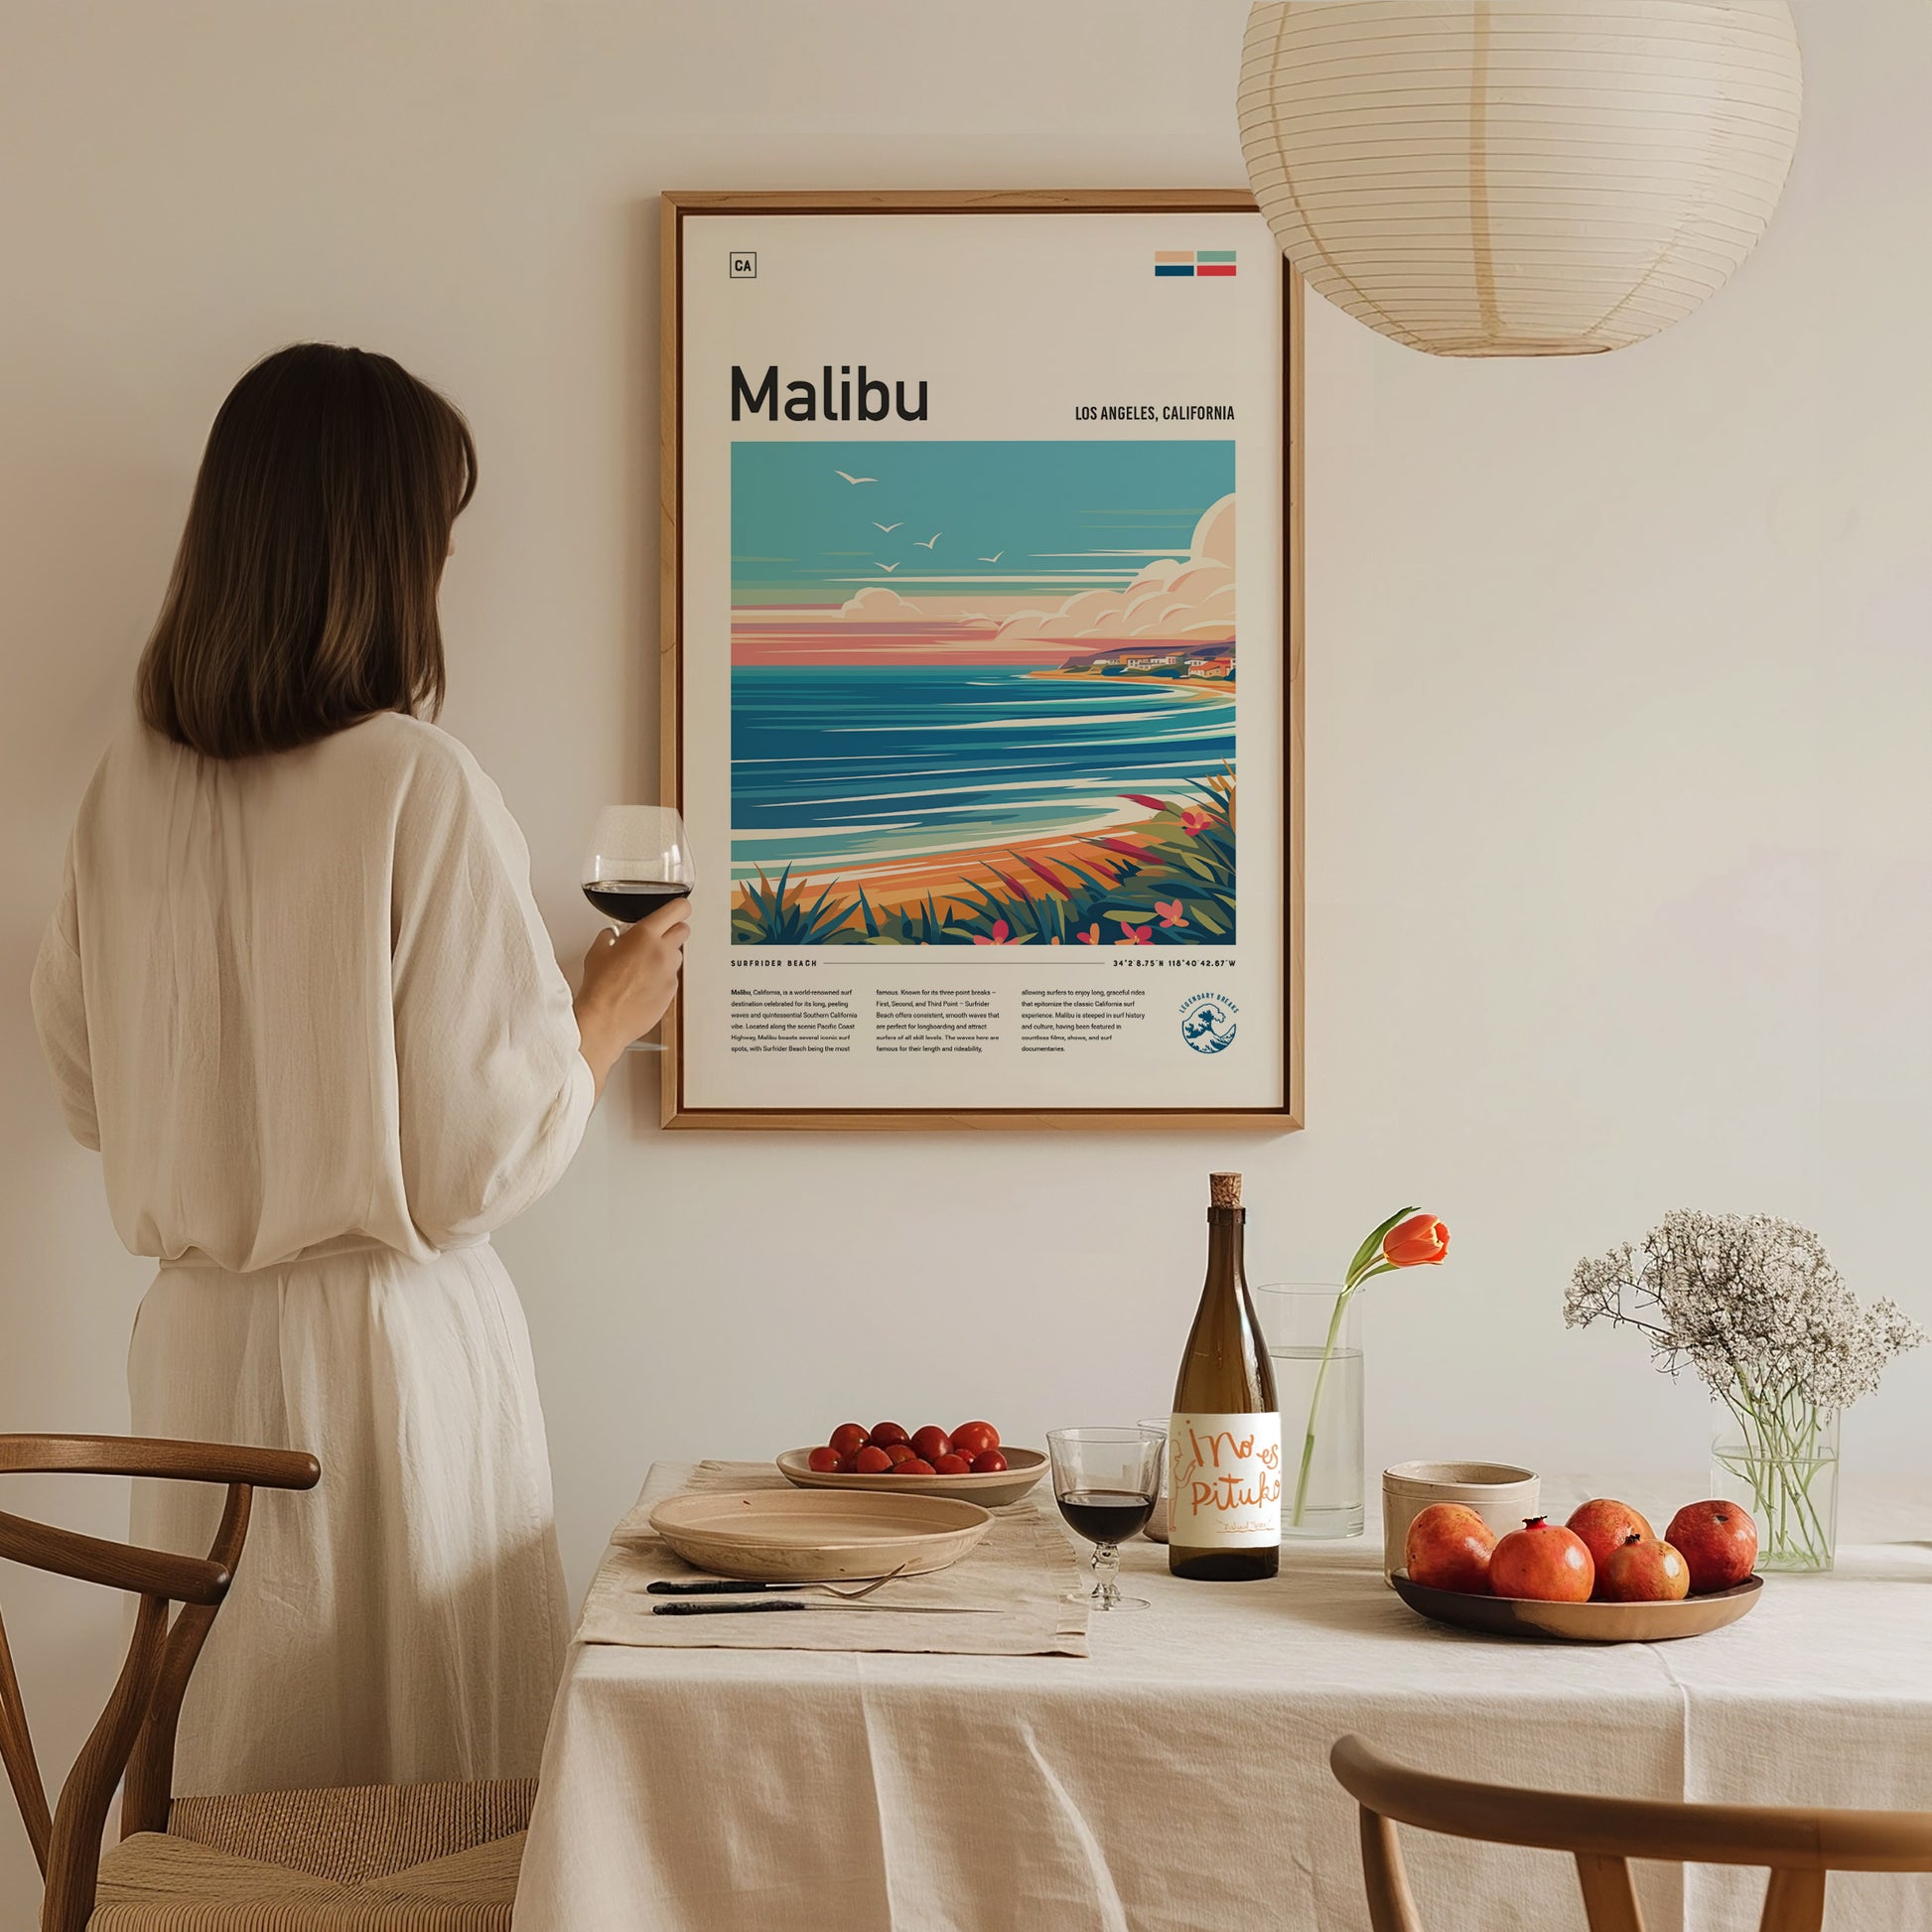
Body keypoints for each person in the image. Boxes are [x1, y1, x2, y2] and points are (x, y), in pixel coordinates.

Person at [29, 343, 685, 1793]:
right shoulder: (414, 779)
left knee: (239, 1778)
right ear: (385, 552)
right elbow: (471, 1164)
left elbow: (87, 1092)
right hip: (388, 1362)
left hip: (196, 1351)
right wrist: (603, 1011)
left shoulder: (121, 792)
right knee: (420, 1798)